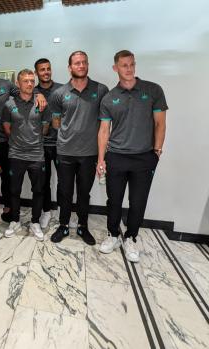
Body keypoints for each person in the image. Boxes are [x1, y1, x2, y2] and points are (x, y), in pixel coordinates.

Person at [97, 50, 167, 263]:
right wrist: (101, 159)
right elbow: (103, 130)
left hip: (144, 158)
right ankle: (113, 235)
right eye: (124, 65)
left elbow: (160, 123)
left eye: (131, 64)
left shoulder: (153, 90)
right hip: (116, 156)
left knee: (138, 202)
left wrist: (156, 151)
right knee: (114, 200)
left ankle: (131, 237)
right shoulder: (109, 97)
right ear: (115, 68)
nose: (129, 69)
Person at [0, 57, 46, 229]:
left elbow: (27, 90)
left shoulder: (6, 85)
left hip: (6, 141)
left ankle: (8, 210)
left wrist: (40, 93)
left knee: (8, 179)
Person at [50, 51, 108, 245]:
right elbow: (56, 122)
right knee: (64, 191)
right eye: (77, 63)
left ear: (88, 65)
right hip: (65, 152)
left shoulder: (101, 90)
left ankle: (83, 226)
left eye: (84, 62)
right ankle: (63, 225)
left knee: (84, 193)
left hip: (89, 153)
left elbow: (104, 124)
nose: (81, 65)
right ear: (70, 67)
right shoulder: (59, 94)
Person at [2, 69, 50, 241]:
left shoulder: (41, 103)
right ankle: (14, 221)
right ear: (18, 83)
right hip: (16, 154)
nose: (29, 84)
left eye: (32, 80)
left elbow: (45, 128)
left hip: (37, 155)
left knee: (38, 190)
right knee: (14, 190)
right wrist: (19, 140)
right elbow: (7, 128)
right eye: (25, 81)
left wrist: (33, 138)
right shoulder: (9, 104)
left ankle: (35, 222)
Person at [34, 58, 63, 229]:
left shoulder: (62, 89)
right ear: (37, 72)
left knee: (64, 181)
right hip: (41, 144)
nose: (46, 72)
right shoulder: (32, 90)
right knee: (43, 181)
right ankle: (46, 211)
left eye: (48, 69)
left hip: (61, 144)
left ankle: (61, 210)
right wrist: (37, 93)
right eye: (42, 69)